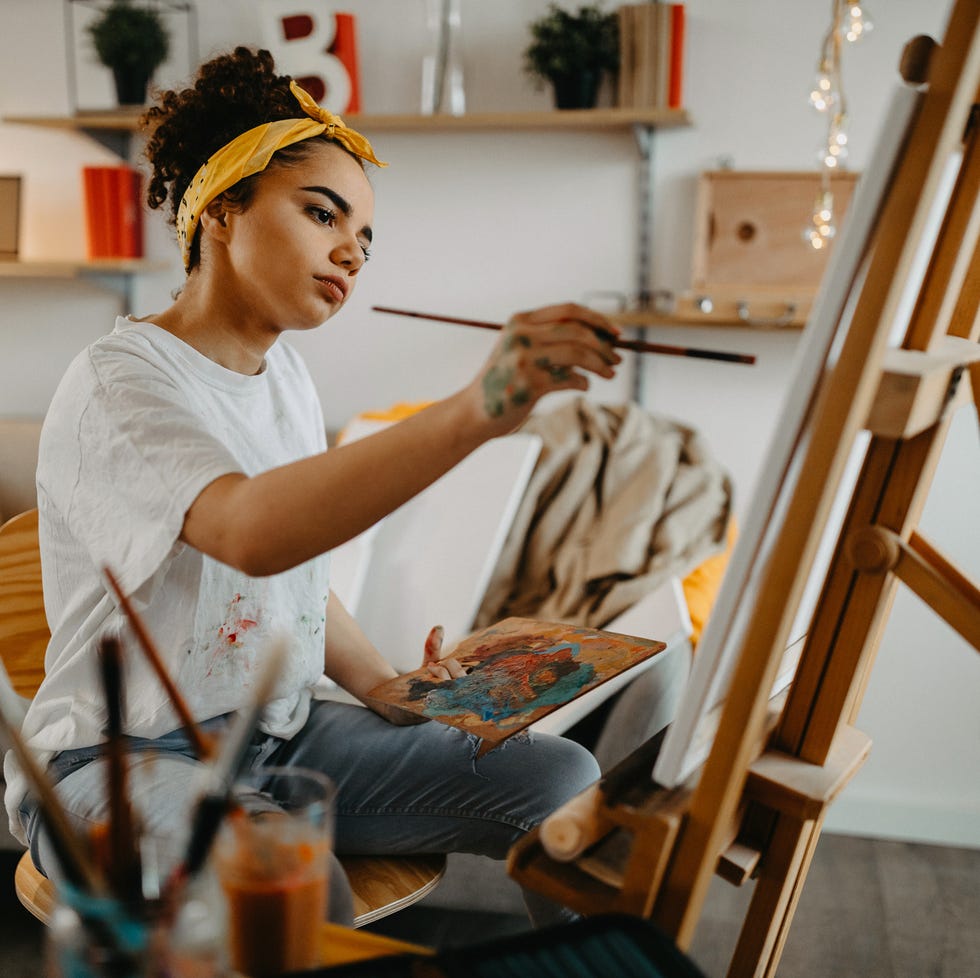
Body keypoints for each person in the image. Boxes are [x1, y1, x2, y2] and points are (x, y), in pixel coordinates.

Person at [3, 47, 623, 927]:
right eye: (322, 213)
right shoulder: (122, 381)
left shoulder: (286, 378)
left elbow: (287, 584)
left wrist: (384, 684)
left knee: (564, 785)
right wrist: (478, 410)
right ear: (222, 209)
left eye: (365, 237)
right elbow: (253, 533)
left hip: (280, 734)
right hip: (117, 760)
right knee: (292, 884)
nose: (350, 252)